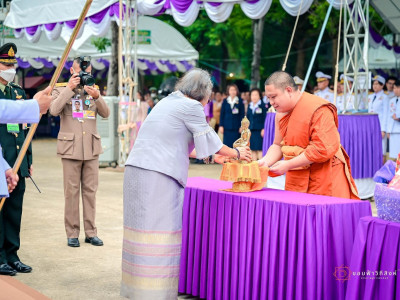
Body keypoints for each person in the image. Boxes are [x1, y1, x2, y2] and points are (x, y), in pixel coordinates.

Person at [121, 68, 252, 299]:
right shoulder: (191, 106)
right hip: (158, 174)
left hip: (137, 170)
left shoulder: (168, 101)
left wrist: (215, 156)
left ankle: (136, 290)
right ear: (204, 92)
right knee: (161, 233)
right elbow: (210, 138)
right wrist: (237, 153)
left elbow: (175, 142)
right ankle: (156, 293)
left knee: (140, 232)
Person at [259, 71, 359, 199]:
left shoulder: (318, 109)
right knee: (298, 215)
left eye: (273, 97)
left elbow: (322, 148)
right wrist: (263, 162)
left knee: (322, 216)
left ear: (288, 90)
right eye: (269, 98)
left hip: (324, 173)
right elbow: (277, 145)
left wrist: (288, 164)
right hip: (296, 174)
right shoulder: (280, 114)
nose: (271, 102)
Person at [50, 57, 110, 248]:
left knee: (90, 192)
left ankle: (91, 233)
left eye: (88, 73)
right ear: (71, 71)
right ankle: (72, 233)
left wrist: (97, 97)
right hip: (70, 149)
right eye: (80, 73)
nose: (85, 76)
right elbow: (54, 110)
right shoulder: (61, 89)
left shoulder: (93, 89)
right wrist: (70, 88)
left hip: (91, 149)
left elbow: (106, 113)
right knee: (71, 192)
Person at [0, 83, 52, 276]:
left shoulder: (18, 92)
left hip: (17, 162)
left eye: (12, 64)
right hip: (2, 159)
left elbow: (25, 131)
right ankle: (0, 257)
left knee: (14, 211)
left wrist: (28, 159)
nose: (10, 69)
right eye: (5, 64)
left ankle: (12, 255)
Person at [368, 75, 389, 159]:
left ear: (382, 85)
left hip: (380, 125)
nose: (375, 86)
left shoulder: (385, 97)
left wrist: (383, 129)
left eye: (377, 84)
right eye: (374, 83)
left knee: (381, 148)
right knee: (371, 147)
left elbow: (386, 114)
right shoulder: (370, 96)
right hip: (370, 125)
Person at [246, 88, 267, 160]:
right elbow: (247, 119)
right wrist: (247, 129)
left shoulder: (263, 105)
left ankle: (261, 168)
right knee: (252, 149)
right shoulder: (249, 106)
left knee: (260, 149)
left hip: (260, 131)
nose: (254, 97)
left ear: (259, 96)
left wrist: (264, 129)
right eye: (252, 95)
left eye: (256, 95)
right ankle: (254, 167)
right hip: (251, 131)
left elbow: (265, 118)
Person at [386, 80, 400, 159]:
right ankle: (397, 171)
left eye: (398, 88)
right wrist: (388, 130)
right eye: (394, 88)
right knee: (394, 155)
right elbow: (389, 116)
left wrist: (398, 118)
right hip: (393, 130)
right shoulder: (392, 100)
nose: (395, 90)